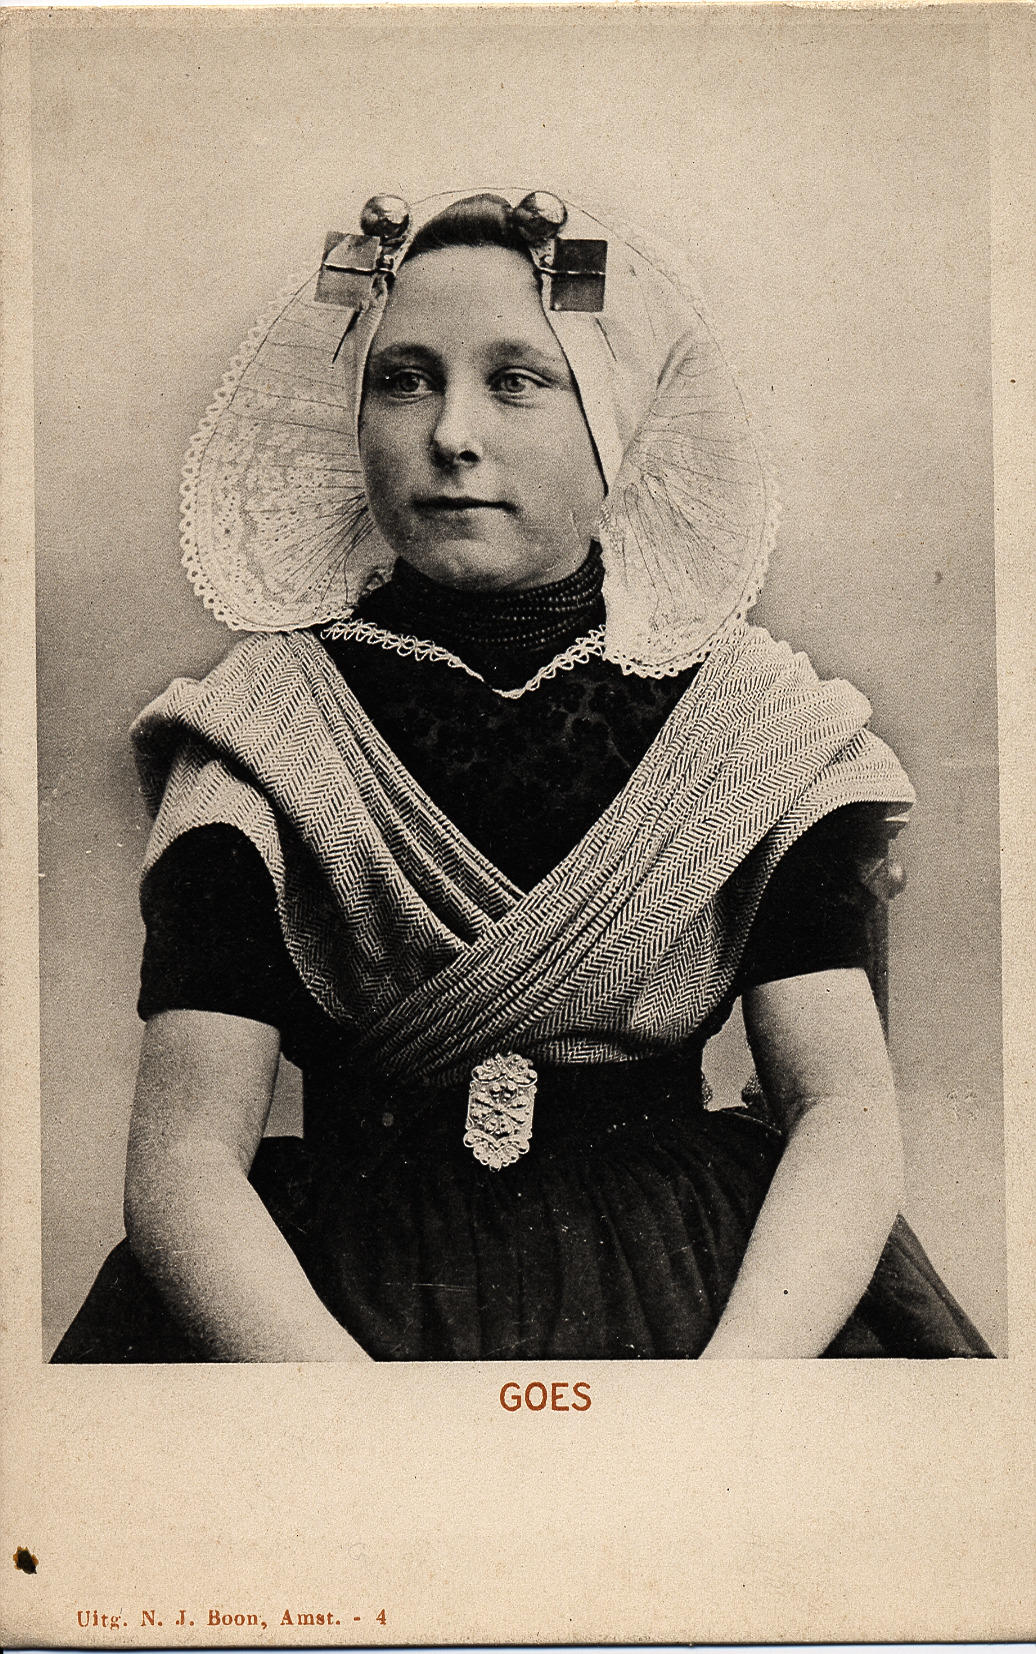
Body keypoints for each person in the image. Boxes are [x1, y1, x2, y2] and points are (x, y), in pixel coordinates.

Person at [54, 189, 991, 1362]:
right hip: (336, 1300)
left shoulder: (753, 727)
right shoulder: (262, 732)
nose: (451, 433)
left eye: (515, 380)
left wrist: (735, 1387)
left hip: (698, 1283)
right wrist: (349, 1416)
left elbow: (840, 1108)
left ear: (621, 414)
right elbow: (184, 1159)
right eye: (403, 379)